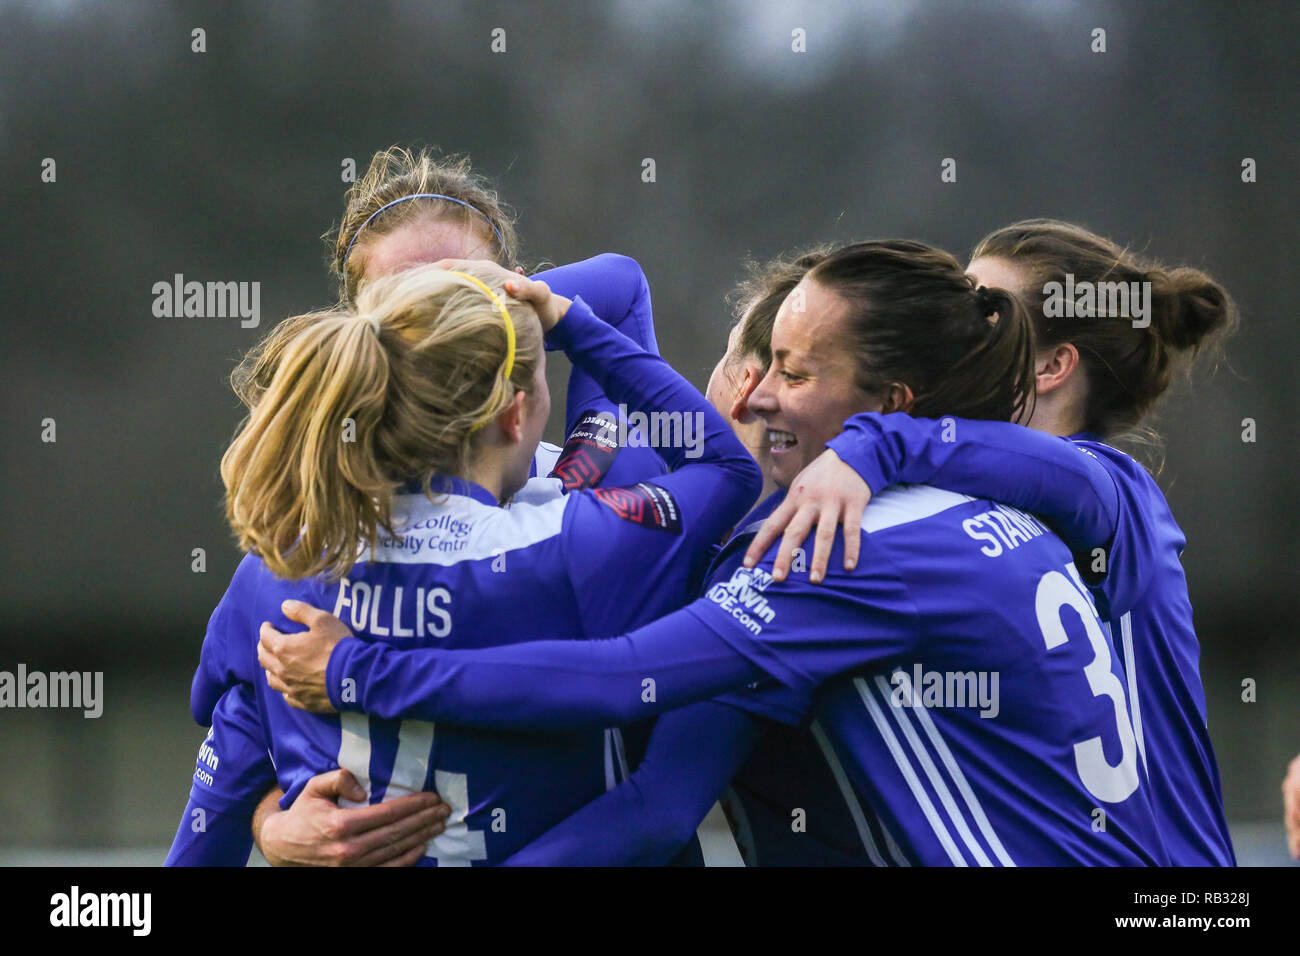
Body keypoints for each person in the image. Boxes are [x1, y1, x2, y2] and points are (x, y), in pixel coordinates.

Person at [262, 239, 1172, 865]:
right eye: (757, 359)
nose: (753, 393)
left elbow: (619, 687)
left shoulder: (831, 548)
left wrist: (361, 673)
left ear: (886, 402)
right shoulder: (991, 502)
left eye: (792, 370)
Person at [164, 261, 760, 865]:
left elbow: (213, 708)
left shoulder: (278, 564)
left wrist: (269, 820)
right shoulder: (573, 540)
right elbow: (727, 467)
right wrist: (563, 319)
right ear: (514, 413)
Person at [745, 219, 1238, 866]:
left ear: (1053, 366)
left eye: (989, 312)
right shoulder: (962, 511)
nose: (957, 322)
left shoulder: (1114, 485)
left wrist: (875, 440)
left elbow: (1054, 475)